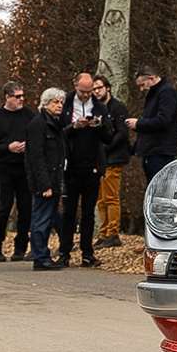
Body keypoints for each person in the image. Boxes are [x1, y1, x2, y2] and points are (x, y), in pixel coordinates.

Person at [59, 68, 109, 266]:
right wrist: (74, 127)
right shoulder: (64, 104)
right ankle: (64, 252)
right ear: (75, 86)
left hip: (92, 165)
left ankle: (87, 253)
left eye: (90, 92)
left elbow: (109, 136)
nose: (87, 95)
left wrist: (99, 126)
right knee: (69, 212)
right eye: (83, 91)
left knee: (88, 212)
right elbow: (57, 133)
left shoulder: (99, 107)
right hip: (70, 165)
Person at [0, 84, 34, 261]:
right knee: (5, 206)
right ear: (7, 97)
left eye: (22, 96)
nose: (21, 99)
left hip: (25, 166)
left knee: (26, 207)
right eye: (17, 96)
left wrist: (28, 145)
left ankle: (21, 247)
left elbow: (37, 135)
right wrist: (7, 148)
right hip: (6, 166)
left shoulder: (29, 115)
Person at [24, 87, 70, 270]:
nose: (59, 106)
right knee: (41, 219)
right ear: (46, 104)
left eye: (61, 102)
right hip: (45, 181)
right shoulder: (38, 124)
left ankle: (43, 255)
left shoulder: (55, 124)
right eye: (55, 102)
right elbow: (36, 156)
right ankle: (40, 257)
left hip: (54, 178)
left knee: (49, 217)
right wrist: (44, 184)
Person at [130, 62, 177, 186]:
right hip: (152, 150)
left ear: (151, 78)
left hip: (160, 151)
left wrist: (139, 124)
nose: (142, 89)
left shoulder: (166, 92)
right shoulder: (155, 94)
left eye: (142, 85)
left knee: (159, 188)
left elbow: (163, 120)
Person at [92, 74, 126, 247]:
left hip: (113, 157)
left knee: (111, 197)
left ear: (108, 88)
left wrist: (107, 148)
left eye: (99, 88)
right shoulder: (95, 109)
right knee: (100, 199)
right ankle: (104, 232)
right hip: (99, 159)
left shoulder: (118, 107)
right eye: (94, 89)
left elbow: (122, 133)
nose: (96, 92)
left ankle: (113, 232)